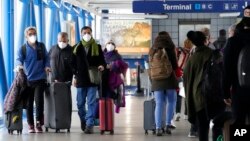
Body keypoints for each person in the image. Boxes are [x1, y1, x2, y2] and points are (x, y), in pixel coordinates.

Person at [184, 31, 224, 141]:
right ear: (205, 41)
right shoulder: (214, 54)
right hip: (216, 96)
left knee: (203, 127)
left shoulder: (191, 59)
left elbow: (187, 81)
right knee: (218, 125)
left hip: (199, 98)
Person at [16, 26, 50, 133]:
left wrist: (47, 66)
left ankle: (39, 123)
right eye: (30, 34)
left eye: (34, 33)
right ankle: (31, 124)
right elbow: (18, 59)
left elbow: (46, 58)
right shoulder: (23, 48)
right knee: (29, 104)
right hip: (28, 80)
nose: (32, 36)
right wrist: (19, 66)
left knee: (39, 102)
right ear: (26, 35)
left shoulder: (41, 46)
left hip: (40, 78)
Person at [72, 26, 106, 134]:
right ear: (81, 34)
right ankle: (84, 120)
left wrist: (101, 66)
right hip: (81, 79)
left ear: (91, 33)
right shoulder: (76, 47)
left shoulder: (97, 47)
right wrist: (74, 76)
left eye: (88, 32)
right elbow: (73, 65)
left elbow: (102, 61)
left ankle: (90, 124)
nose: (87, 34)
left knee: (91, 102)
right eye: (85, 32)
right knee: (80, 104)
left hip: (93, 78)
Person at [223, 5, 250, 126]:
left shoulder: (233, 41)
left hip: (239, 90)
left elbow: (226, 69)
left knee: (239, 123)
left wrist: (225, 92)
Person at [149, 32, 179, 136]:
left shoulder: (153, 49)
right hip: (169, 78)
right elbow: (175, 66)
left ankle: (158, 128)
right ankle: (167, 125)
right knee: (171, 101)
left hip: (156, 80)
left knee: (159, 103)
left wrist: (152, 80)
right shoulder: (170, 48)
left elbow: (150, 67)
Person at [103, 41, 128, 113]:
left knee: (119, 91)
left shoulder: (117, 56)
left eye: (112, 44)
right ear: (106, 45)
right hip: (105, 76)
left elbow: (123, 66)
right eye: (109, 43)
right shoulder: (102, 55)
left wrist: (115, 65)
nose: (110, 45)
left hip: (115, 76)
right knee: (107, 93)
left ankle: (118, 105)